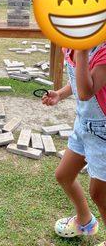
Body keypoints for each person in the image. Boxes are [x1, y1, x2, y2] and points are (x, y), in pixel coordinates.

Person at [42, 45, 106, 245]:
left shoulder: (101, 51)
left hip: (103, 130)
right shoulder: (71, 44)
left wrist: (82, 52)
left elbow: (87, 91)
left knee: (100, 194)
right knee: (63, 175)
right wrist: (60, 94)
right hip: (83, 125)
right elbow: (77, 82)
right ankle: (85, 221)